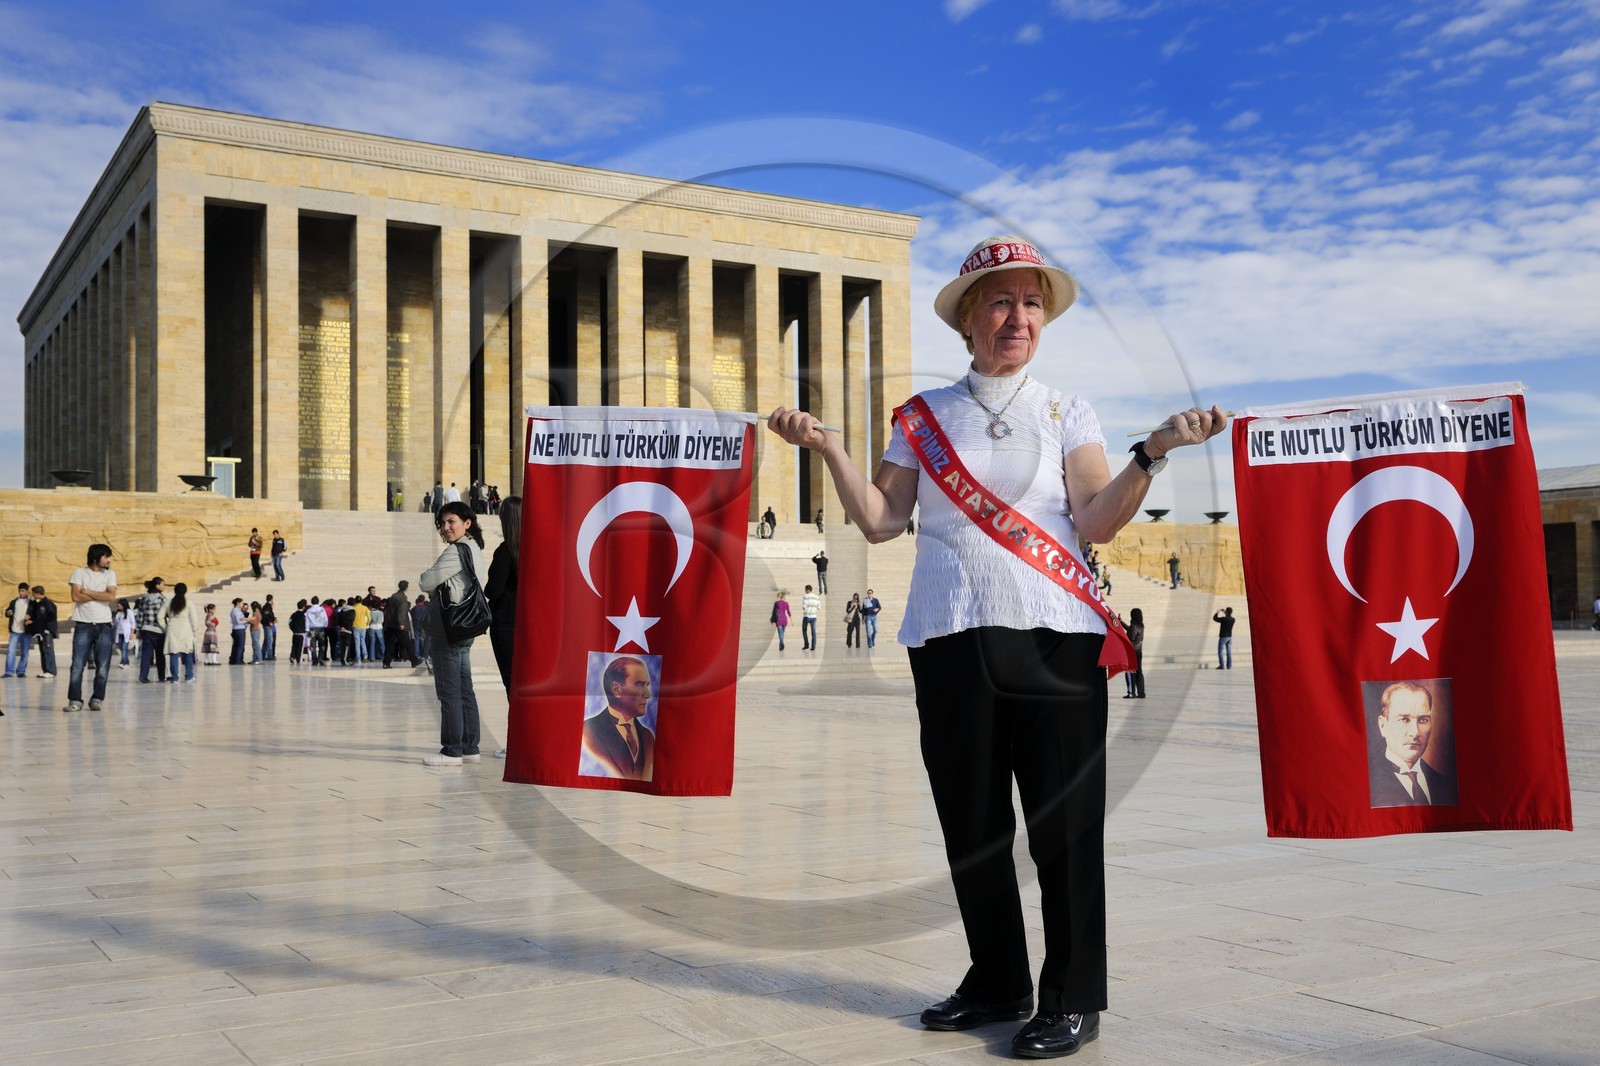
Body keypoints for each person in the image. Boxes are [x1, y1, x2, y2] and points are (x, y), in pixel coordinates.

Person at [766, 233, 1225, 1058]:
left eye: (1033, 304)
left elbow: (1093, 521)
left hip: (1055, 637)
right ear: (969, 319)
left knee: (1064, 823)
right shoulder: (923, 417)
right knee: (972, 822)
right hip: (948, 635)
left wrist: (1149, 455)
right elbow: (883, 520)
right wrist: (830, 447)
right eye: (1003, 302)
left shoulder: (1066, 410)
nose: (1020, 317)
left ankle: (1075, 995)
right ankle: (998, 979)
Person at [418, 501, 487, 766]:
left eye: (451, 522)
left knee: (449, 691)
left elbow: (426, 581)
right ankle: (470, 747)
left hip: (450, 628)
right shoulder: (474, 548)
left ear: (467, 522)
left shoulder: (456, 551)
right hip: (466, 626)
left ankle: (452, 750)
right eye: (443, 523)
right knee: (464, 689)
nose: (446, 528)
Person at [1369, 681, 1458, 807]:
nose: (1415, 732)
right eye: (1404, 719)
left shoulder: (1447, 784)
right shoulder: (1368, 782)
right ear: (1383, 726)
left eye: (1423, 720)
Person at [485, 496, 522, 759]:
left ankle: (518, 743)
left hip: (506, 624)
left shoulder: (505, 550)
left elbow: (493, 590)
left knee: (513, 683)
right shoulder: (536, 549)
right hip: (527, 623)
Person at [580, 655, 655, 780]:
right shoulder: (588, 731)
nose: (648, 694)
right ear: (616, 689)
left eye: (647, 685)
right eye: (640, 685)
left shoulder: (648, 737)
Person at [64, 544, 118, 712]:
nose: (109, 560)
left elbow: (110, 596)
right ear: (96, 558)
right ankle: (75, 700)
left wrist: (87, 591)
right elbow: (75, 596)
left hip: (104, 624)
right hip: (83, 623)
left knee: (103, 666)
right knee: (78, 665)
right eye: (106, 556)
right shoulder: (79, 573)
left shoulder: (110, 574)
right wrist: (98, 594)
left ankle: (97, 698)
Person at [162, 582, 202, 682]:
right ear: (185, 591)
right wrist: (194, 630)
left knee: (174, 653)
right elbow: (194, 619)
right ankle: (189, 676)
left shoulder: (168, 602)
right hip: (185, 629)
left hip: (172, 629)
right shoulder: (189, 603)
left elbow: (159, 617)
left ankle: (175, 677)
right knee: (187, 652)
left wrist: (165, 628)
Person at [136, 577, 169, 682]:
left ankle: (143, 676)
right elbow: (167, 614)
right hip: (159, 630)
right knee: (160, 655)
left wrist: (138, 630)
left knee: (146, 654)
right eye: (163, 584)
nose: (164, 586)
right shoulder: (163, 599)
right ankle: (161, 676)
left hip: (146, 629)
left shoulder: (144, 599)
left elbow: (140, 615)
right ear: (157, 585)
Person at [382, 581, 419, 668]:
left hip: (390, 623)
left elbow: (389, 611)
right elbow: (401, 611)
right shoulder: (402, 598)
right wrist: (401, 623)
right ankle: (414, 660)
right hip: (398, 624)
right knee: (407, 642)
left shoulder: (393, 596)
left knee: (389, 644)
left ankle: (386, 662)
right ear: (406, 588)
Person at [27, 585, 59, 678]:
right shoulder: (39, 603)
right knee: (43, 650)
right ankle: (46, 670)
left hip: (46, 631)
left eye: (33, 594)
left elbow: (51, 615)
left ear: (37, 593)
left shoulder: (47, 603)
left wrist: (47, 626)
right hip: (41, 631)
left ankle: (51, 671)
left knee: (48, 650)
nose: (33, 596)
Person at [5, 581, 32, 678]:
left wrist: (31, 620)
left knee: (24, 653)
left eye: (23, 591)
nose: (21, 593)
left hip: (27, 632)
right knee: (11, 652)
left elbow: (36, 616)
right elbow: (8, 611)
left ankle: (21, 671)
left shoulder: (32, 602)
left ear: (27, 591)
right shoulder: (14, 601)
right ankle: (9, 672)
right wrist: (8, 613)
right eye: (19, 591)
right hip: (15, 631)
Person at [1124, 608, 1146, 699]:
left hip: (1132, 652)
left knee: (1130, 672)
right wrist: (1121, 623)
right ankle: (1141, 693)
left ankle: (1131, 693)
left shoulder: (1133, 626)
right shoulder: (1141, 626)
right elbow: (1131, 629)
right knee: (1139, 672)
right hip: (1139, 652)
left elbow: (1130, 638)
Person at [114, 598, 135, 668]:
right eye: (118, 603)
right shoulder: (118, 613)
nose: (118, 605)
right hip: (119, 633)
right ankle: (126, 662)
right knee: (120, 646)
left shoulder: (129, 612)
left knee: (124, 647)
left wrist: (131, 634)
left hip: (126, 633)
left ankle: (123, 662)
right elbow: (116, 624)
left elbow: (133, 623)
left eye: (120, 603)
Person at [800, 584, 820, 651]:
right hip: (814, 616)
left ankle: (806, 645)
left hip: (807, 616)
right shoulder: (816, 597)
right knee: (813, 631)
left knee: (804, 631)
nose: (805, 590)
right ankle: (813, 646)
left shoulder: (805, 596)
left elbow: (804, 606)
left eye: (805, 589)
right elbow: (819, 607)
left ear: (808, 590)